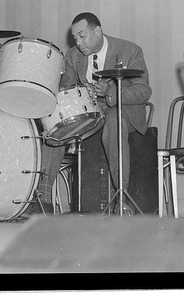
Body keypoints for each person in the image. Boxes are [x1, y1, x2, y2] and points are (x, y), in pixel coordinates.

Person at [36, 12, 152, 213]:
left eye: (82, 35)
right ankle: (42, 198)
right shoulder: (73, 55)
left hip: (123, 112)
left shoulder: (129, 50)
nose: (78, 42)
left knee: (114, 121)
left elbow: (144, 91)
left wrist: (112, 93)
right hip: (91, 116)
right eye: (74, 38)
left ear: (98, 31)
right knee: (56, 126)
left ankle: (122, 198)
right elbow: (67, 89)